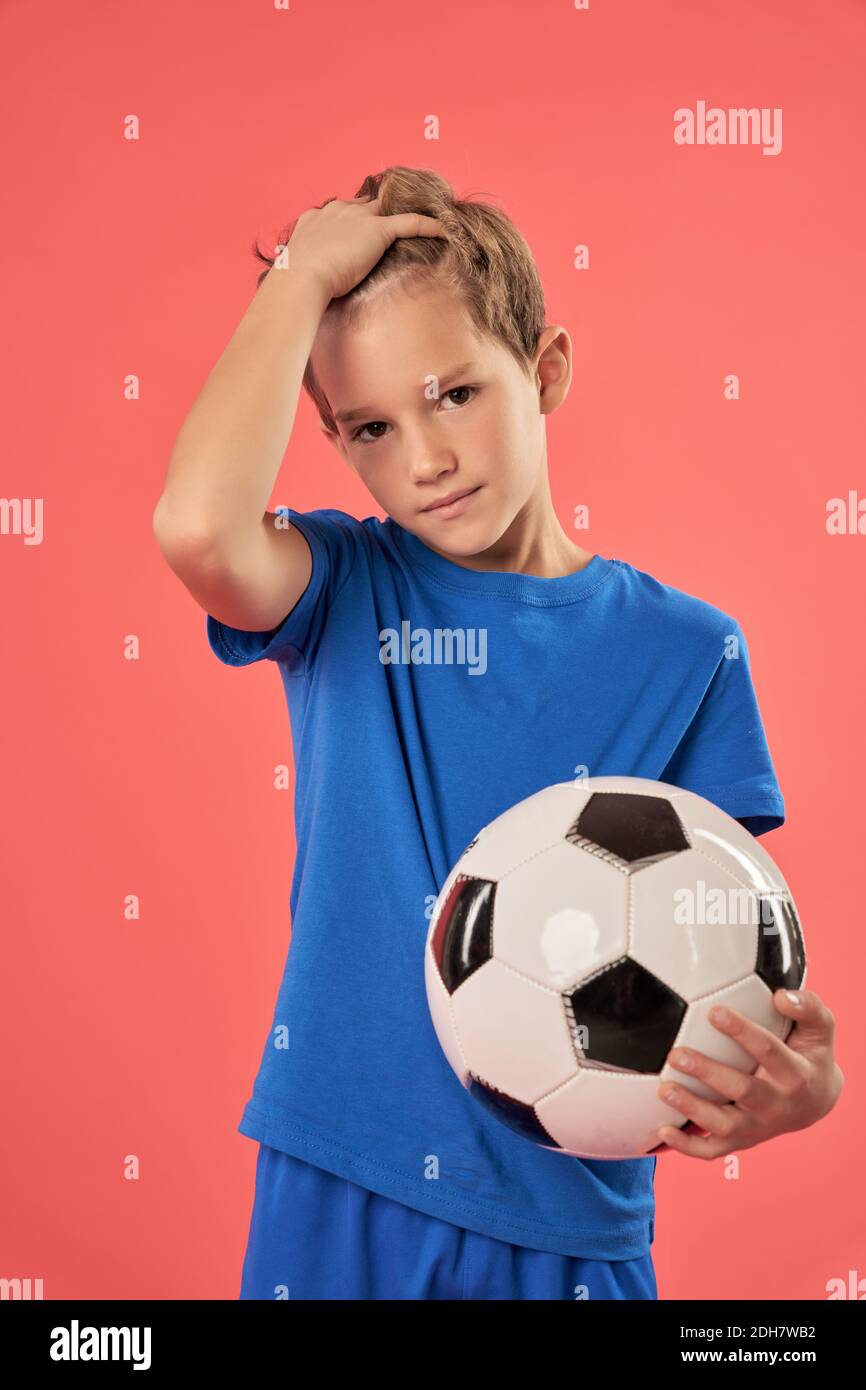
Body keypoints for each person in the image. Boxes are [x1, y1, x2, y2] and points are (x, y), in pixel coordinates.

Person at [152, 166, 843, 1300]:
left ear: (545, 370)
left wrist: (791, 1090)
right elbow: (196, 526)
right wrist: (298, 278)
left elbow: (717, 957)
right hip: (340, 1182)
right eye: (370, 427)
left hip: (569, 1228)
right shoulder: (343, 590)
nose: (421, 457)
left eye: (454, 394)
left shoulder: (688, 651)